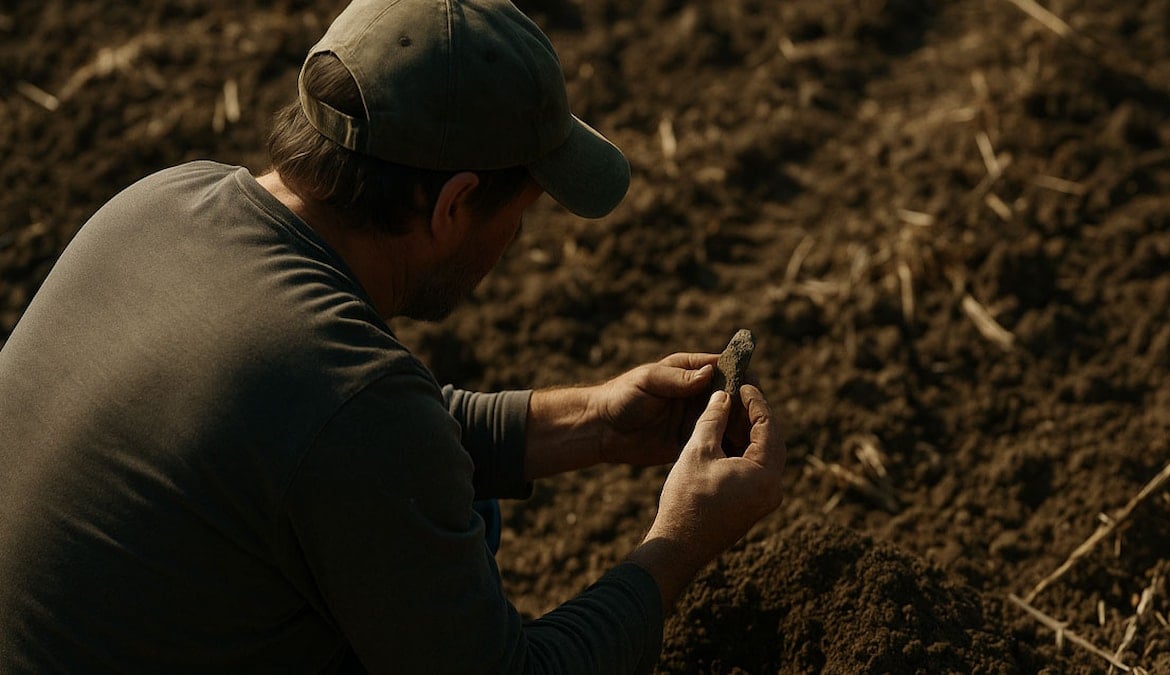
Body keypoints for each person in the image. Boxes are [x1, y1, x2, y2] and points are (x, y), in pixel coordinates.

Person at [0, 0, 786, 672]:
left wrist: (597, 424)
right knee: (459, 530)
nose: (514, 241)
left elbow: (328, 437)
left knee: (449, 503)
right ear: (452, 205)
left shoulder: (165, 200)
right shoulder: (350, 397)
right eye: (519, 215)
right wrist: (682, 537)